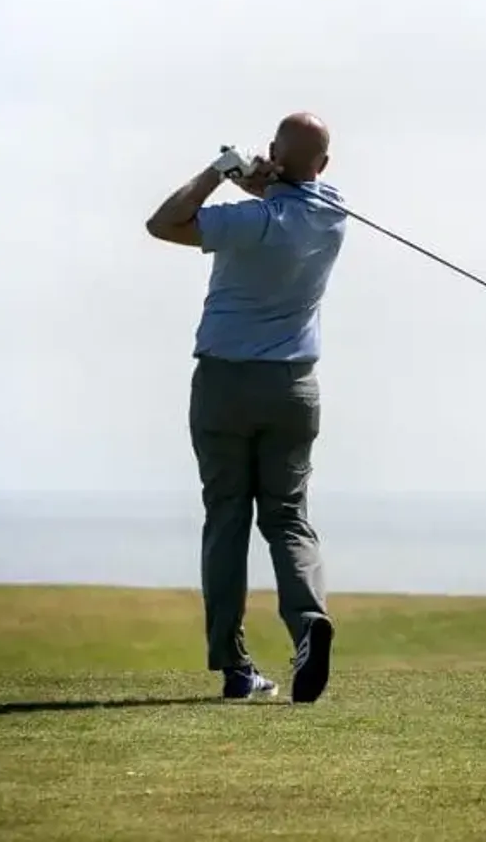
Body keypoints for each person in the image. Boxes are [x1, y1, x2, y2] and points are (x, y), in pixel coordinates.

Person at [144, 112, 348, 703]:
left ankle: (235, 667)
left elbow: (163, 223)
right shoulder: (334, 210)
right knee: (287, 517)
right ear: (324, 165)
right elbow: (292, 198)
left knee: (227, 518)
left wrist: (218, 171)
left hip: (225, 385)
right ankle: (309, 624)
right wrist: (266, 179)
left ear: (274, 155)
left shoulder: (245, 223)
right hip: (294, 389)